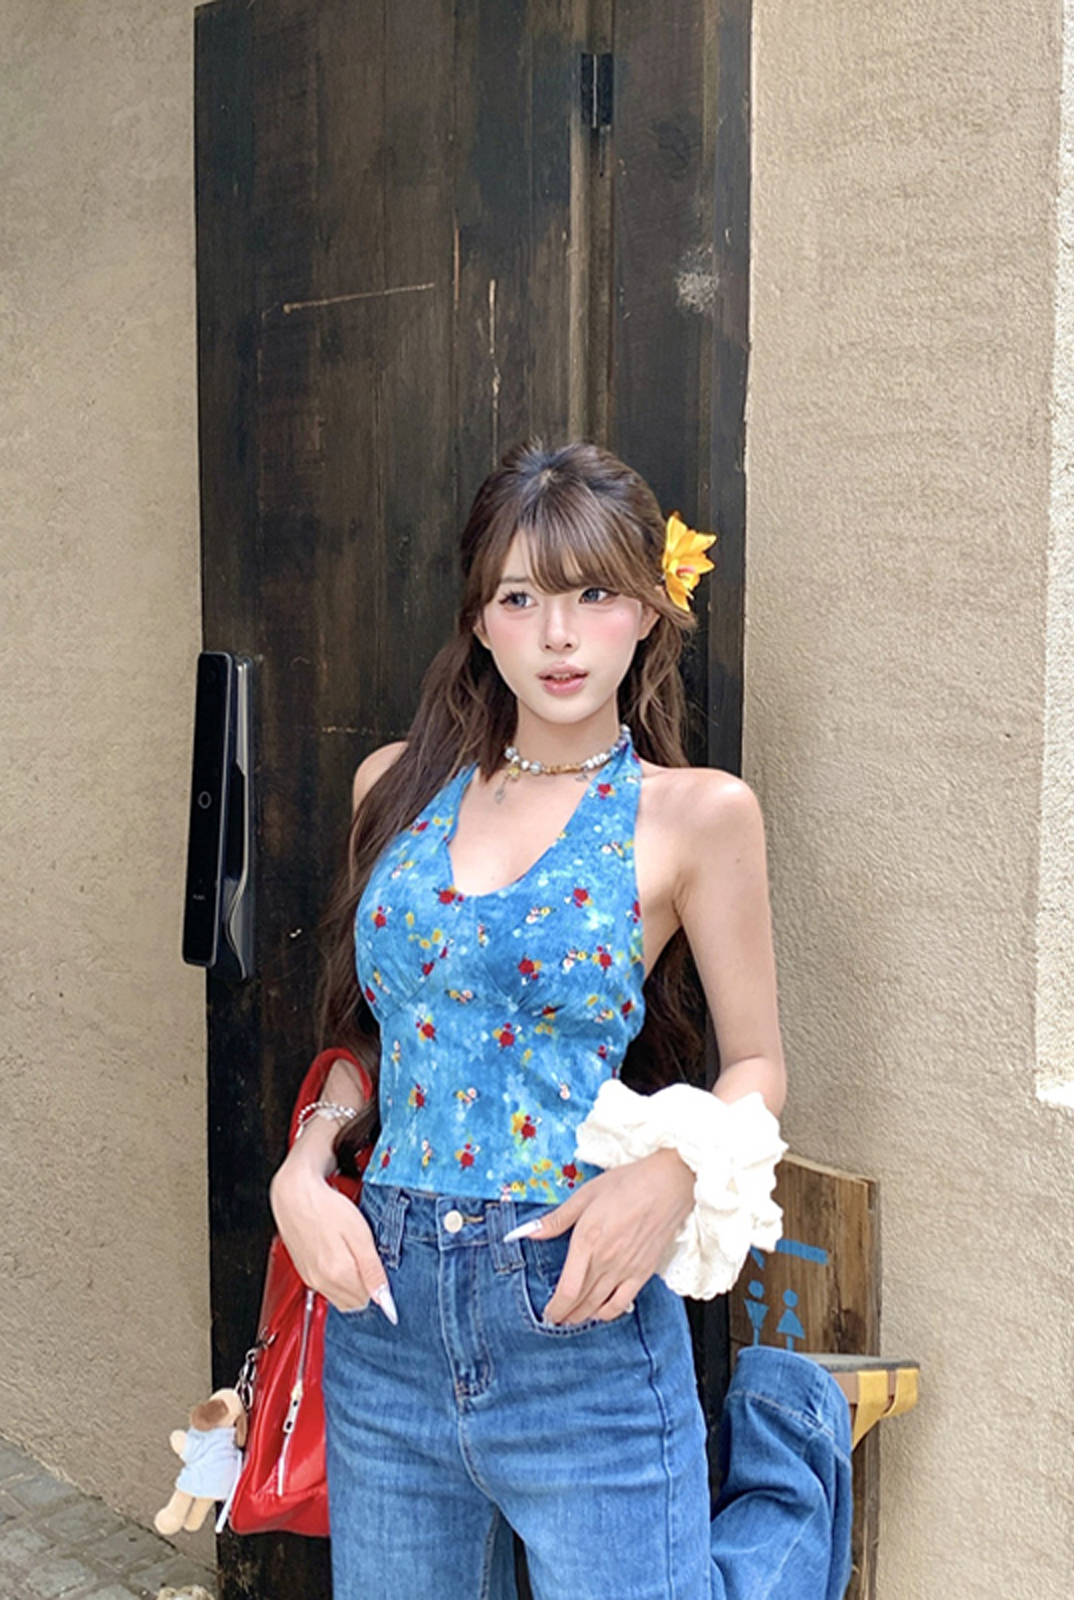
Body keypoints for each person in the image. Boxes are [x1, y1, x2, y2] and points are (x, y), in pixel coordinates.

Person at [269, 440, 852, 1599]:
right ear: (479, 624)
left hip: (577, 1305)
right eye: (519, 599)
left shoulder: (694, 816)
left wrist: (675, 1173)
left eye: (592, 595)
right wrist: (303, 1166)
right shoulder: (391, 789)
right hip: (384, 1318)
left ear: (648, 610)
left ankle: (792, 1452)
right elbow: (374, 1042)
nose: (558, 635)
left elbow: (756, 1062)